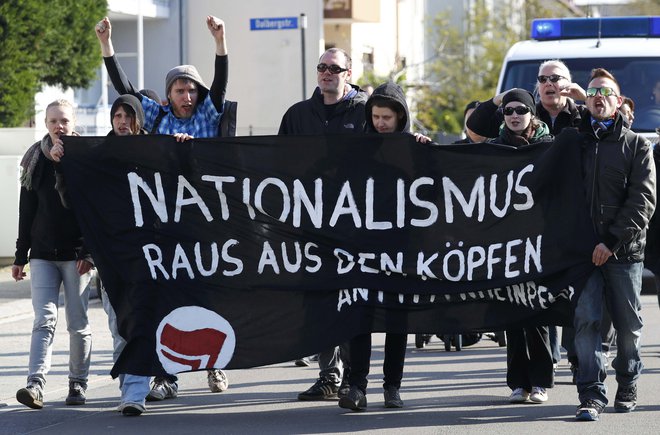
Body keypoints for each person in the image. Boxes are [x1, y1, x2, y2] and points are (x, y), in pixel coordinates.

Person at [95, 15, 230, 399]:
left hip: (203, 219)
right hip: (165, 221)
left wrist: (221, 42)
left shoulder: (207, 112)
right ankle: (166, 377)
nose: (185, 97)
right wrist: (107, 45)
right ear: (168, 94)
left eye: (190, 90)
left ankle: (215, 364)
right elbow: (126, 91)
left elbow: (220, 84)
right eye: (178, 90)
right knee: (167, 296)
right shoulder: (158, 118)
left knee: (205, 293)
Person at [279, 47, 368, 400]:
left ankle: (352, 379)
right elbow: (276, 166)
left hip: (355, 225)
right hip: (311, 224)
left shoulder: (364, 112)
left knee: (349, 301)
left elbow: (391, 147)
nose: (326, 73)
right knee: (319, 302)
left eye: (334, 68)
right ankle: (329, 376)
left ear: (348, 72)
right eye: (321, 67)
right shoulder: (298, 115)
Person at [338, 82, 429, 412]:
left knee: (396, 322)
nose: (380, 123)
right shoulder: (358, 148)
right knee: (360, 318)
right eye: (375, 116)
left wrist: (425, 154)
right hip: (362, 249)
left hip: (402, 251)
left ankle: (392, 386)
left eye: (387, 117)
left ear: (400, 116)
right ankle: (357, 386)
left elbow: (435, 188)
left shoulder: (413, 149)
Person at [572, 68, 655, 421]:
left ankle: (628, 383)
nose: (599, 97)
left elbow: (644, 200)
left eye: (606, 92)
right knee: (586, 323)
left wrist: (610, 240)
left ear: (618, 102)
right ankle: (591, 394)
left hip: (623, 253)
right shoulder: (574, 142)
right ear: (586, 100)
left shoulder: (637, 144)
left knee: (627, 326)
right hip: (582, 255)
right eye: (592, 92)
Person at [12, 100, 94, 410]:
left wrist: (89, 251)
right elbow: (26, 210)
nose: (58, 126)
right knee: (43, 319)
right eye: (53, 121)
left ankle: (77, 382)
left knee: (77, 322)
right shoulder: (34, 158)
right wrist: (21, 257)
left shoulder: (84, 158)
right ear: (45, 123)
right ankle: (35, 384)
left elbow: (89, 209)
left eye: (64, 120)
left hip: (77, 256)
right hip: (43, 254)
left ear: (73, 122)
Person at [479, 89, 555, 404]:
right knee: (512, 315)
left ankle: (540, 382)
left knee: (537, 313)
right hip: (505, 244)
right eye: (508, 109)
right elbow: (476, 126)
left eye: (521, 109)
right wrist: (495, 100)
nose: (513, 115)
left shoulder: (548, 146)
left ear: (532, 113)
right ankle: (518, 383)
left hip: (539, 242)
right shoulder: (494, 147)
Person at [467, 59, 587, 138]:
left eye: (555, 78)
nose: (548, 83)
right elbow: (475, 125)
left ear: (569, 83)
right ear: (538, 87)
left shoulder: (583, 114)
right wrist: (499, 98)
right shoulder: (522, 112)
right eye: (543, 79)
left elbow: (605, 126)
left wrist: (587, 98)